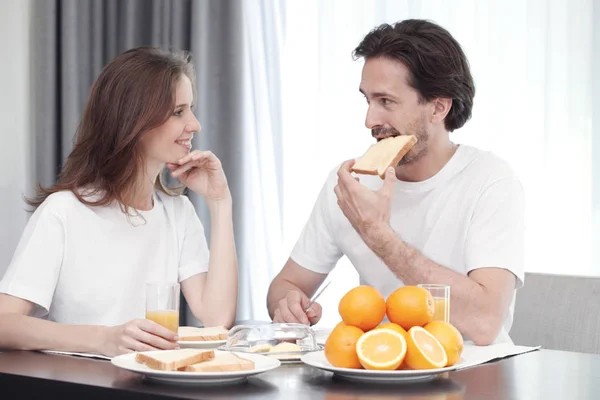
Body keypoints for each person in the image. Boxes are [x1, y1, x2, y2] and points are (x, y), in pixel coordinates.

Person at [267, 19, 524, 345]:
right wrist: (286, 303)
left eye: (386, 102)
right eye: (368, 100)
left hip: (474, 378)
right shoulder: (349, 182)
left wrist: (379, 236)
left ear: (438, 107)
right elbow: (286, 283)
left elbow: (486, 323)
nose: (370, 120)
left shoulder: (490, 181)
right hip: (380, 372)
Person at [0, 47, 238, 356]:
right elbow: (4, 322)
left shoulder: (177, 214)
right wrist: (104, 339)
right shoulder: (63, 212)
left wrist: (220, 203)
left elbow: (217, 320)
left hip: (148, 386)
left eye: (190, 109)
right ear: (135, 121)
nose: (195, 124)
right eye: (178, 111)